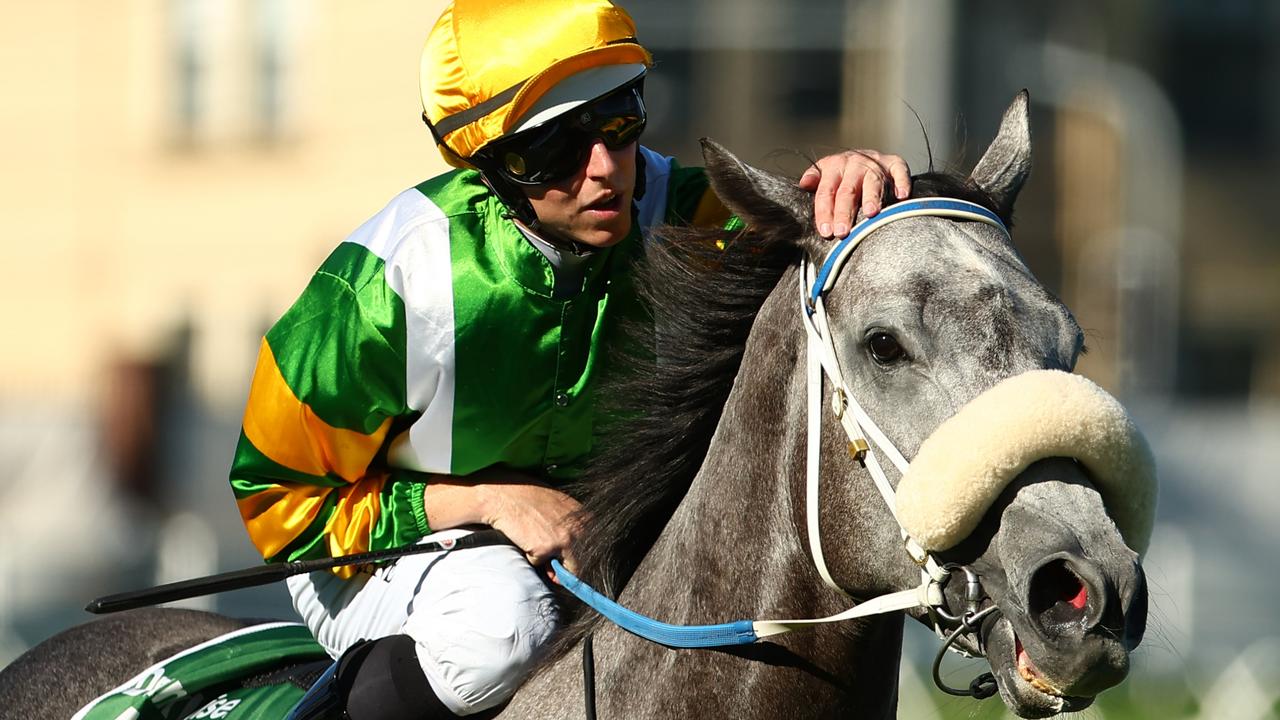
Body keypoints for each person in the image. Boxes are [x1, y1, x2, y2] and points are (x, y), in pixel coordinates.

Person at [228, 1, 911, 718]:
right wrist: (489, 502)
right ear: (494, 164)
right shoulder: (385, 287)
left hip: (594, 528)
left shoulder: (685, 219)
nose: (606, 170)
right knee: (504, 628)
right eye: (557, 149)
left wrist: (847, 178)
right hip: (364, 551)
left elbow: (822, 241)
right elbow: (278, 500)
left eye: (620, 124)